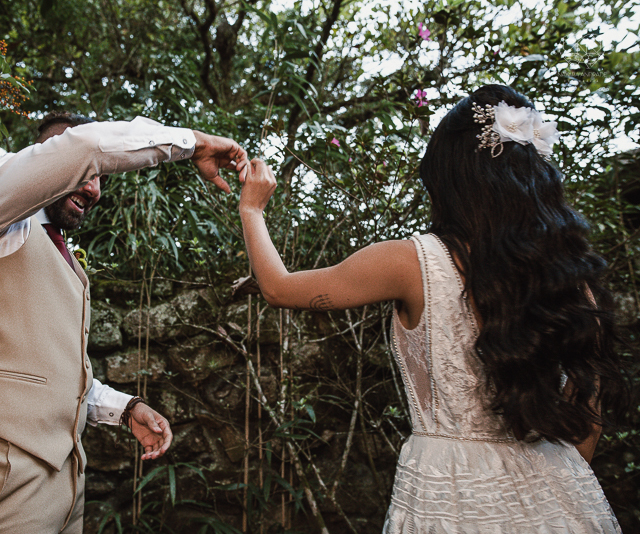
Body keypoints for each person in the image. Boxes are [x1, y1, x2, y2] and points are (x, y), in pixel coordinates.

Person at [238, 85, 625, 532]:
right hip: (562, 498)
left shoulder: (411, 261)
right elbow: (587, 426)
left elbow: (280, 288)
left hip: (452, 498)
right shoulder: (570, 280)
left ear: (449, 177)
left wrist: (253, 208)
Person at [0, 112, 249, 533]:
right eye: (87, 174)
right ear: (46, 159)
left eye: (100, 179)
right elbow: (85, 147)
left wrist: (123, 409)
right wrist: (195, 143)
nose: (94, 189)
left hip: (65, 488)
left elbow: (42, 370)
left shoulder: (65, 261)